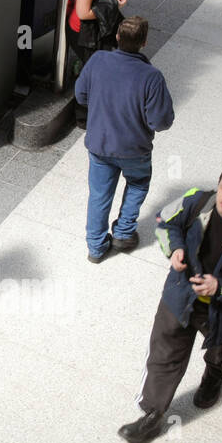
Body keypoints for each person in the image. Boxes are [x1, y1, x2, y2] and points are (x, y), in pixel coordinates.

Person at [119, 164, 222, 443]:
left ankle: (214, 378)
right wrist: (174, 248)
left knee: (220, 352)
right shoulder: (197, 200)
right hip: (179, 297)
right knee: (163, 354)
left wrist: (221, 288)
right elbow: (165, 221)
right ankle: (151, 415)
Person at [74, 16, 174, 264]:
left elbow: (81, 95)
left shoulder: (98, 60)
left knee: (99, 195)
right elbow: (160, 121)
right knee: (138, 184)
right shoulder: (152, 76)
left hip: (99, 145)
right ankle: (123, 233)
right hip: (134, 150)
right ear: (144, 42)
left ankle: (96, 248)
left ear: (117, 36)